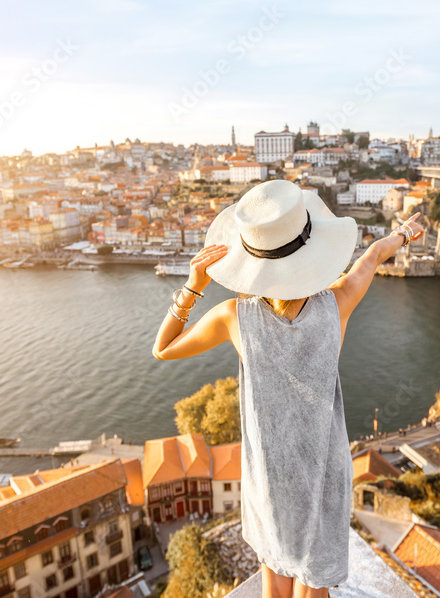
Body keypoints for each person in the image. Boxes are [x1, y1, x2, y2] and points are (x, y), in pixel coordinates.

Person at [152, 179, 423, 598]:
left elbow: (163, 348)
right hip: (323, 470)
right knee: (312, 587)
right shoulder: (340, 301)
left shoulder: (233, 318)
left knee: (273, 583)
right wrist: (403, 233)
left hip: (269, 476)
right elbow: (373, 256)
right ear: (311, 252)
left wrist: (194, 285)